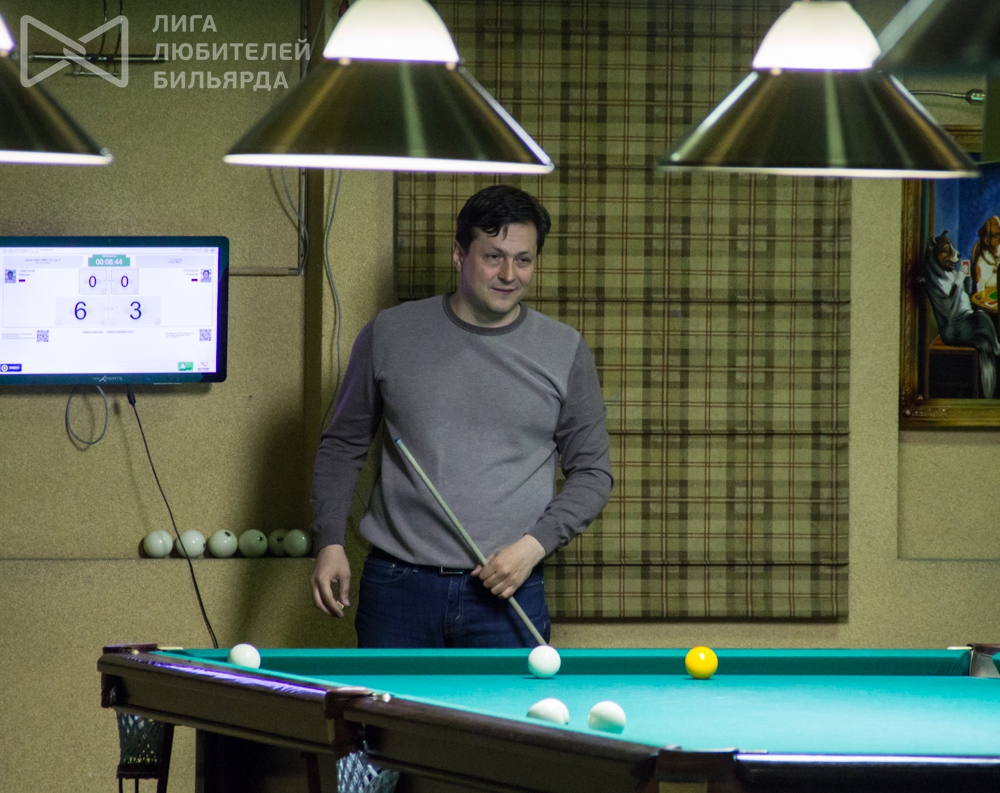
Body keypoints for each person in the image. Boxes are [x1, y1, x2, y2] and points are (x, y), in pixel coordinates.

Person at [309, 185, 612, 648]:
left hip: (509, 587)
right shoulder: (390, 333)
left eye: (523, 260)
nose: (509, 274)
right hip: (397, 589)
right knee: (385, 702)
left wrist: (532, 547)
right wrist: (330, 540)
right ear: (458, 254)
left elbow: (593, 473)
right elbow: (342, 445)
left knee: (508, 703)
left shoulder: (564, 349)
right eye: (493, 257)